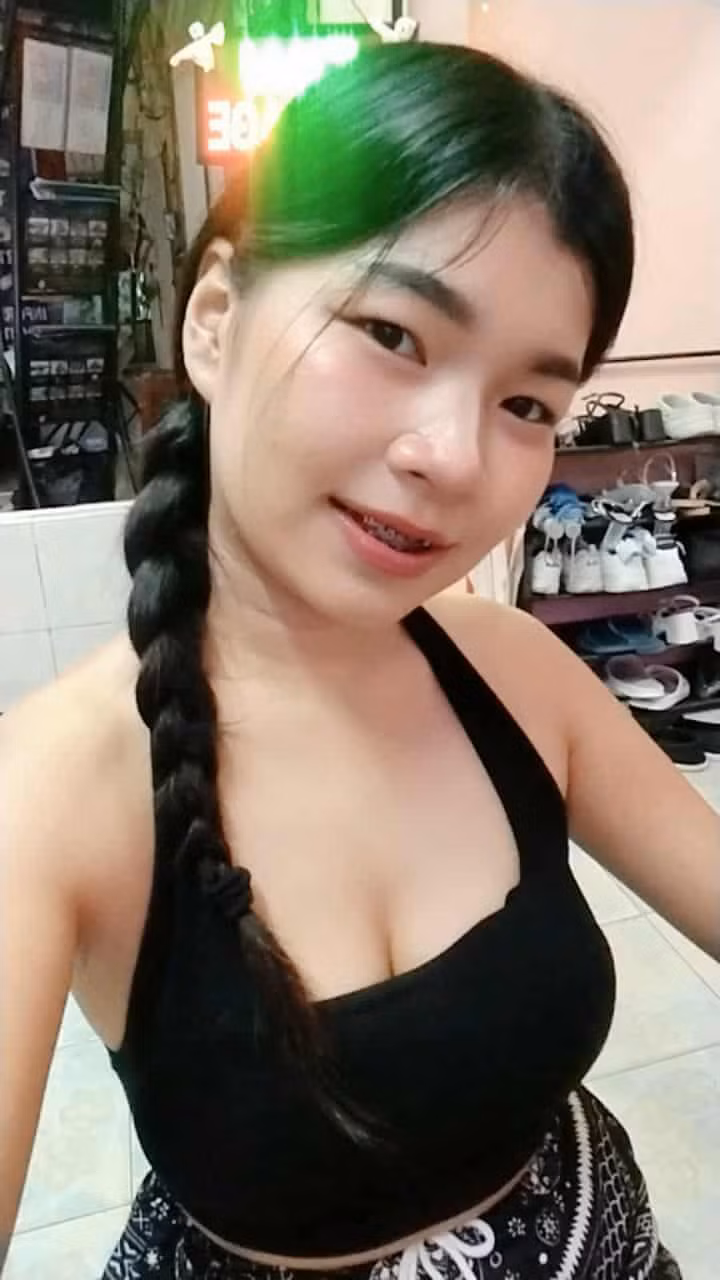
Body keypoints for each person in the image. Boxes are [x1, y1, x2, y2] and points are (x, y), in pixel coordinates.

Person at [1, 39, 718, 1280]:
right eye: (392, 331)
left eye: (528, 404)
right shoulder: (50, 791)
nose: (455, 455)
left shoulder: (514, 669)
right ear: (216, 321)